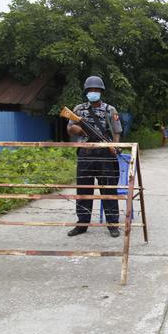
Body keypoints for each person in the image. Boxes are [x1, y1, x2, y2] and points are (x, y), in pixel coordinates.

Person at [66, 75, 123, 238]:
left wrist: (114, 146)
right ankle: (82, 224)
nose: (93, 92)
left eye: (96, 90)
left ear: (101, 92)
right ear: (86, 91)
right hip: (86, 154)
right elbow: (69, 128)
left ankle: (112, 225)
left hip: (105, 155)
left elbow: (117, 131)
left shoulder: (110, 110)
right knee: (84, 190)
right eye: (91, 90)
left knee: (108, 190)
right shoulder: (78, 109)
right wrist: (76, 129)